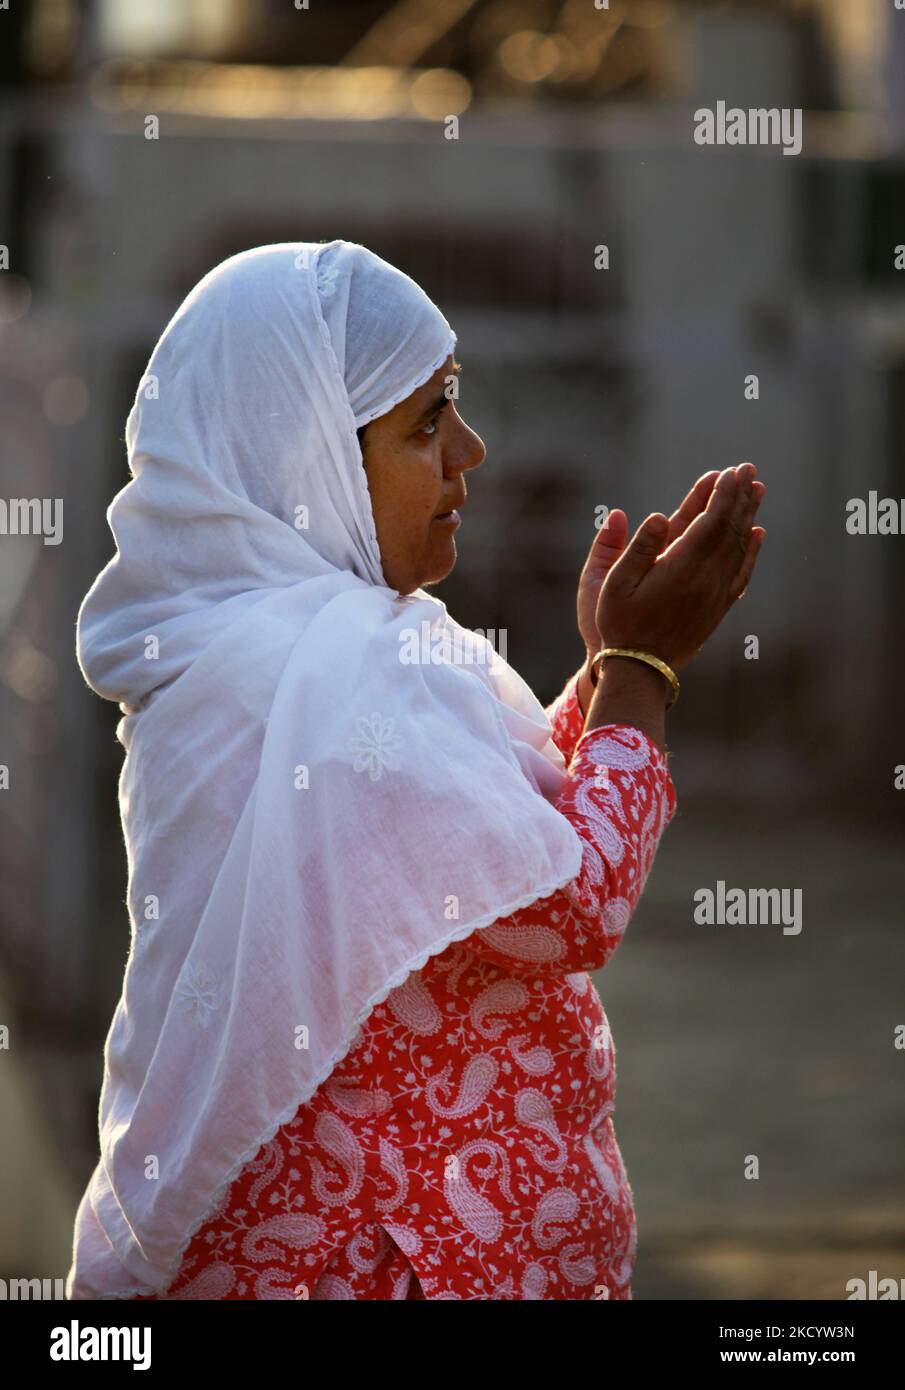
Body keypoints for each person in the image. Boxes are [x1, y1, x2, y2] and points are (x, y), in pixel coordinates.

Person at [65, 239, 765, 1301]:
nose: (469, 451)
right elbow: (567, 899)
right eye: (425, 423)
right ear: (309, 464)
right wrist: (637, 675)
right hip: (392, 1257)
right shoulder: (345, 668)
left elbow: (481, 825)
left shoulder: (242, 657)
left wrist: (602, 678)